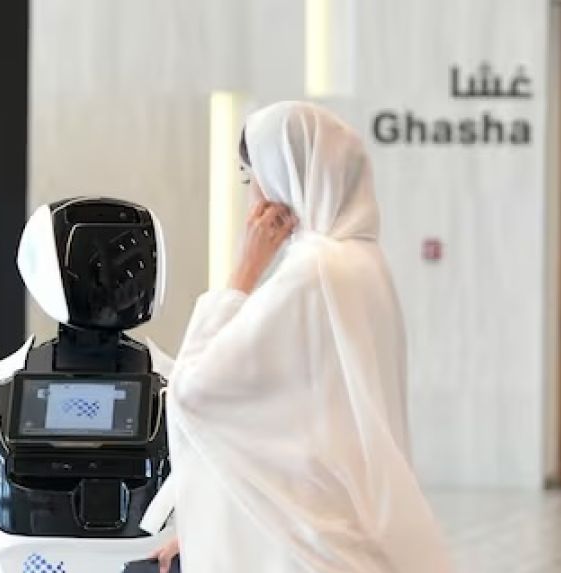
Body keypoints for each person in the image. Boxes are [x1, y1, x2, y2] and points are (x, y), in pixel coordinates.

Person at [148, 102, 452, 572]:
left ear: (286, 176)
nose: (252, 200)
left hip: (302, 538)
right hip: (349, 521)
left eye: (253, 178)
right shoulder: (364, 262)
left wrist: (245, 269)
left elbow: (194, 391)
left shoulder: (312, 271)